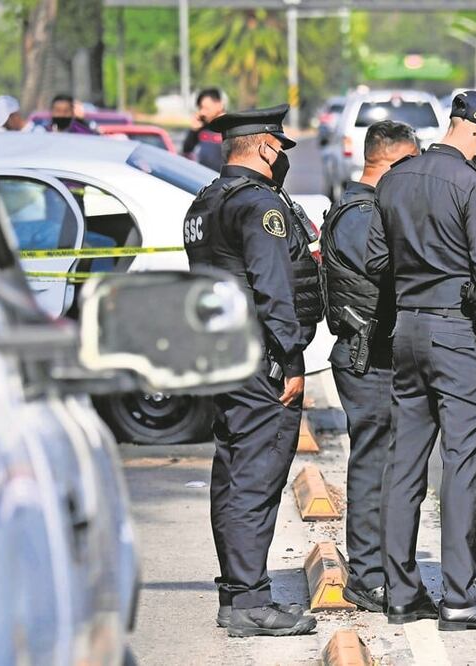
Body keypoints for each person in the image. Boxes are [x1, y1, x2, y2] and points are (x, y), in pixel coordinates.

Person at [366, 91, 476, 632]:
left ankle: (399, 592)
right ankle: (460, 596)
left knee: (404, 464)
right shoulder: (472, 184)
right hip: (457, 335)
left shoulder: (394, 178)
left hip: (406, 329)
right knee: (461, 464)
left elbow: (376, 258)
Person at [182, 104, 321, 637]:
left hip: (222, 355)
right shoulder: (258, 205)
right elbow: (272, 286)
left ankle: (236, 594)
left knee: (233, 472)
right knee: (256, 479)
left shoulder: (204, 202)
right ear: (265, 146)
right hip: (260, 360)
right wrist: (289, 359)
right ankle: (247, 603)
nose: (282, 158)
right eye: (280, 148)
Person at [321, 120, 419, 613]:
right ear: (393, 162)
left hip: (379, 357)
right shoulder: (361, 213)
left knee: (389, 465)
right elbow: (387, 270)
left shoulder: (365, 206)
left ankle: (384, 566)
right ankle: (367, 574)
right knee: (372, 465)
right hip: (367, 359)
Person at [184, 87, 227, 171]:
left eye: (206, 108)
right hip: (202, 177)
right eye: (200, 108)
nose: (202, 112)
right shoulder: (201, 127)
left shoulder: (230, 127)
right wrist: (193, 131)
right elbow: (186, 150)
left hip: (223, 180)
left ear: (220, 105)